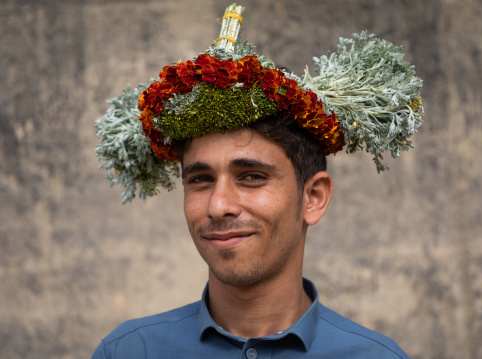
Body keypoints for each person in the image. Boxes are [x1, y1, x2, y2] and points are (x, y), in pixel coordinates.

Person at [93, 4, 423, 358]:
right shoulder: (129, 351)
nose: (218, 206)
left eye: (251, 177)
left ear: (313, 197)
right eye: (201, 179)